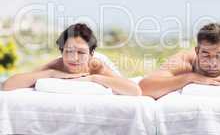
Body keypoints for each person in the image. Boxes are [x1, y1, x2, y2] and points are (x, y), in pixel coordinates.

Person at [2, 23, 141, 96]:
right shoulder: (57, 64)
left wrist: (94, 78)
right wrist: (51, 74)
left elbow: (135, 91)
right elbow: (7, 85)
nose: (74, 58)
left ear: (91, 53)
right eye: (68, 51)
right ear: (61, 51)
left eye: (81, 52)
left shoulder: (96, 65)